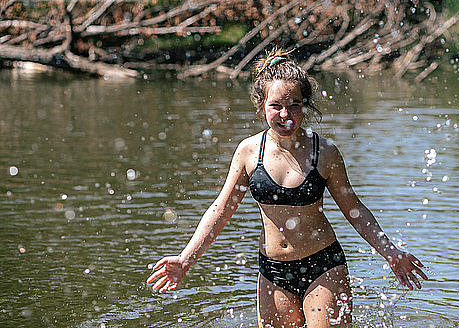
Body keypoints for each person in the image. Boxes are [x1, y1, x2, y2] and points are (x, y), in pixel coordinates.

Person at [147, 48, 428, 328]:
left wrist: (391, 252)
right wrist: (185, 260)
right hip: (272, 271)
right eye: (276, 105)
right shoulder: (248, 152)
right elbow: (221, 209)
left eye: (295, 105)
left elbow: (354, 210)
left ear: (306, 106)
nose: (286, 114)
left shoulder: (325, 153)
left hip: (323, 265)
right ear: (261, 106)